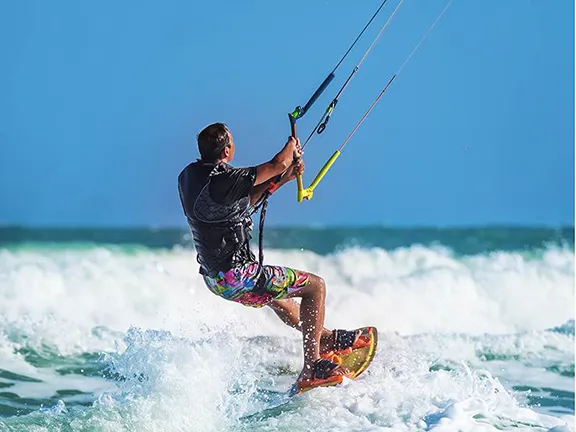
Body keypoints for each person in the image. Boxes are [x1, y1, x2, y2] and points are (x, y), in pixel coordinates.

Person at [177, 122, 367, 389]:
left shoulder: (189, 177)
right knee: (315, 287)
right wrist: (290, 147)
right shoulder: (224, 179)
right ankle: (312, 365)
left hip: (216, 280)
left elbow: (238, 206)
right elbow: (277, 163)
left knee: (280, 298)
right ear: (227, 149)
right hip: (241, 276)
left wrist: (286, 178)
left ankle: (323, 337)